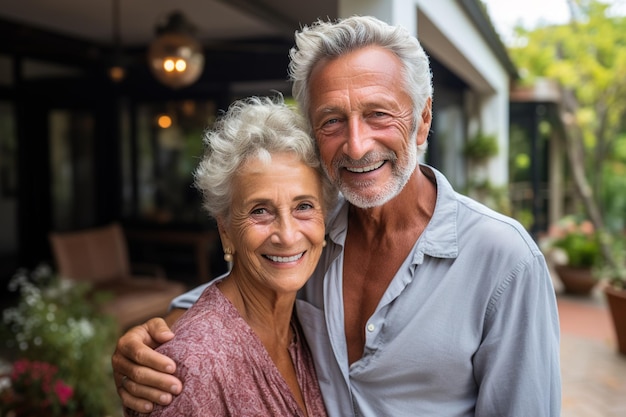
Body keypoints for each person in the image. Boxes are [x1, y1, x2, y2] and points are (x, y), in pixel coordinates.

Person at [112, 16, 561, 417]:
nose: (357, 144)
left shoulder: (504, 260)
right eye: (332, 121)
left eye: (378, 114)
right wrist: (149, 341)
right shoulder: (309, 231)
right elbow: (229, 301)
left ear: (423, 120)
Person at [124, 96, 334, 417]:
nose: (288, 235)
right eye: (260, 211)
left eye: (303, 206)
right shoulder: (190, 370)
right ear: (225, 230)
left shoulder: (307, 327)